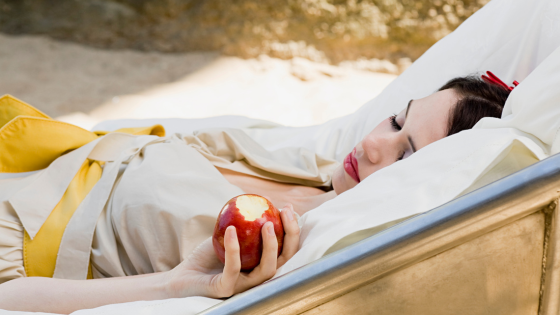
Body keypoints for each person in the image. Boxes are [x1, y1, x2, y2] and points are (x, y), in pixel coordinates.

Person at [0, 75, 511, 313]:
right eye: (396, 119)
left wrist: (177, 288)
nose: (375, 144)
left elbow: (10, 299)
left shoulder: (276, 253)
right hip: (29, 158)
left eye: (404, 155)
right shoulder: (313, 167)